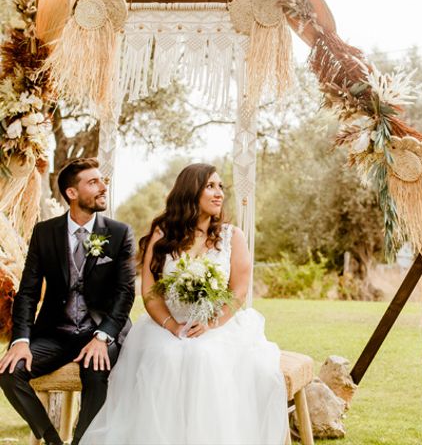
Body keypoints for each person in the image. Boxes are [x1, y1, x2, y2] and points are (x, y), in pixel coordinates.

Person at [80, 163, 288, 445]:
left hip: (218, 325)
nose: (219, 194)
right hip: (166, 325)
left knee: (203, 357)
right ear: (191, 192)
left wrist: (212, 322)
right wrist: (170, 325)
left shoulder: (232, 236)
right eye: (210, 187)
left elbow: (238, 291)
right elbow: (150, 292)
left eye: (220, 187)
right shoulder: (162, 234)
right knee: (165, 357)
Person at [0, 158, 136, 445]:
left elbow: (125, 293)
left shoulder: (120, 233)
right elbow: (28, 292)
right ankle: (52, 440)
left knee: (96, 367)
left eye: (103, 181)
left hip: (98, 330)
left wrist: (103, 337)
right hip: (54, 334)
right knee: (10, 372)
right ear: (72, 193)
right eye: (93, 182)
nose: (103, 187)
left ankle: (81, 441)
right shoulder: (45, 233)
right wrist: (21, 340)